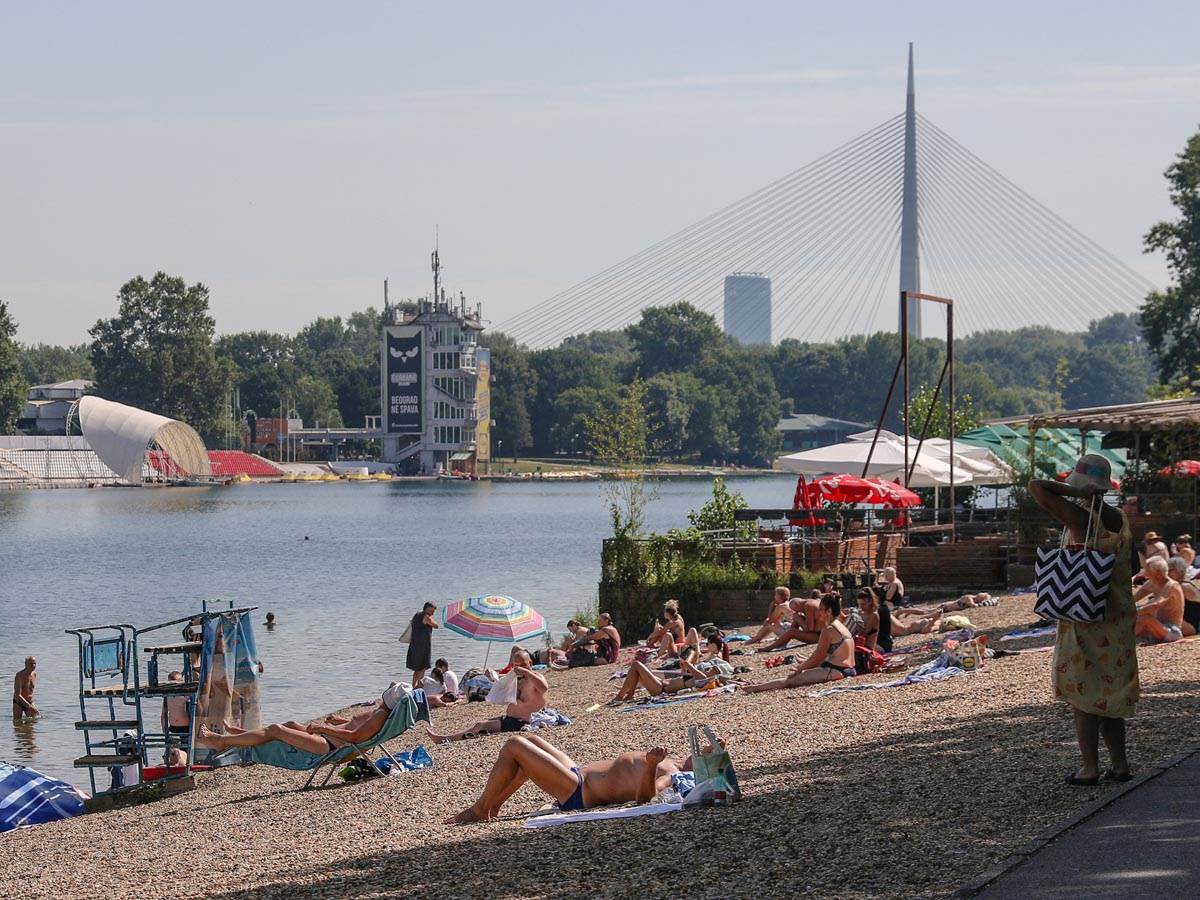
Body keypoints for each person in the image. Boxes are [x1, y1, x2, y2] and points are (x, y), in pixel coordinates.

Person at [1029, 453, 1137, 786]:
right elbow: (1131, 567)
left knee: (1082, 694)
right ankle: (1119, 765)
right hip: (1118, 619)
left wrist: (1079, 492)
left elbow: (1037, 488)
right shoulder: (1119, 518)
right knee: (1110, 694)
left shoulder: (1081, 518)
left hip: (1086, 616)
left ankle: (1089, 767)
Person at [446, 733, 710, 824]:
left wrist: (651, 766)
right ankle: (495, 804)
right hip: (577, 773)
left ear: (699, 767)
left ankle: (479, 809)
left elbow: (645, 799)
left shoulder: (676, 775)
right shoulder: (672, 759)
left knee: (514, 745)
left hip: (580, 792)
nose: (700, 750)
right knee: (531, 742)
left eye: (706, 753)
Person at [197, 681, 412, 755]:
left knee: (276, 731)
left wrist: (323, 728)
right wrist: (337, 722)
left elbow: (354, 737)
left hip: (328, 745)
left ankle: (222, 741)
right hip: (331, 738)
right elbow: (354, 727)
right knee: (289, 725)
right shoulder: (382, 712)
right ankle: (240, 734)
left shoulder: (380, 717)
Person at [742, 594, 857, 692]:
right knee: (799, 674)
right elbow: (831, 654)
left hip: (835, 670)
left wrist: (800, 668)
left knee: (790, 681)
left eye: (821, 609)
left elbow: (818, 656)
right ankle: (758, 685)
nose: (819, 612)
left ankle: (755, 688)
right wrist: (806, 662)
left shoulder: (829, 629)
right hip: (850, 669)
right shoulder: (841, 626)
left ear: (829, 611)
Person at [425, 666, 549, 742]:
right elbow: (503, 691)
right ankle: (464, 736)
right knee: (482, 725)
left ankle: (445, 739)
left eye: (522, 665)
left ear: (530, 664)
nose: (518, 668)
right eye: (516, 665)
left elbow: (544, 688)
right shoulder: (520, 680)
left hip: (517, 723)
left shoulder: (535, 678)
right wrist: (496, 678)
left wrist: (525, 672)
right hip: (509, 719)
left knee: (480, 725)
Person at [610, 635, 733, 703]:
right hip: (662, 685)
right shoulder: (700, 677)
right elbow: (687, 676)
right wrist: (684, 667)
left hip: (661, 689)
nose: (709, 670)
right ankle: (626, 694)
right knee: (636, 669)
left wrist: (689, 665)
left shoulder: (705, 679)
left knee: (636, 664)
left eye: (713, 670)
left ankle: (623, 695)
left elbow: (704, 677)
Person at [1134, 557, 1185, 643]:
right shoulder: (1152, 583)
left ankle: (1122, 640)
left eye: (1148, 571)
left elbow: (1156, 605)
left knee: (1145, 618)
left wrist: (1134, 612)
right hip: (1159, 627)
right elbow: (1133, 599)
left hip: (1172, 630)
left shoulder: (1171, 586)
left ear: (1157, 573)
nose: (1145, 574)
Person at [755, 592, 822, 652]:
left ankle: (769, 648)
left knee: (794, 625)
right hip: (819, 633)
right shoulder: (811, 602)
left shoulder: (808, 606)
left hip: (819, 636)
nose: (797, 611)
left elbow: (809, 629)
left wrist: (799, 619)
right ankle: (784, 640)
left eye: (796, 609)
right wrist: (798, 619)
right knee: (796, 619)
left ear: (798, 605)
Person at [406, 602, 439, 691]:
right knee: (422, 667)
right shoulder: (426, 617)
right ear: (427, 609)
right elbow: (436, 626)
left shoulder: (417, 614)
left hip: (415, 644)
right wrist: (431, 618)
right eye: (432, 611)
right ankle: (418, 687)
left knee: (417, 668)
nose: (432, 613)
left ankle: (414, 686)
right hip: (422, 646)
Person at [1166, 556, 1200, 637]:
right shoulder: (1178, 585)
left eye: (1170, 570)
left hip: (1191, 625)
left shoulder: (1184, 586)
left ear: (1179, 571)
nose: (1167, 573)